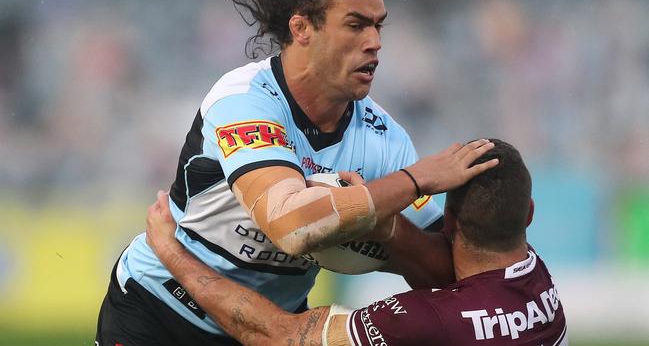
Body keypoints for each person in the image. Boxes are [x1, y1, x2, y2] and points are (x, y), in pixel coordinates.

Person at [95, 0, 498, 345]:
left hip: (266, 328)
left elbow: (446, 273)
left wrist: (384, 227)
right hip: (160, 310)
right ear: (302, 28)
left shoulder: (385, 140)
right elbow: (289, 226)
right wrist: (415, 181)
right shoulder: (244, 100)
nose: (375, 42)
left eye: (379, 26)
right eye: (356, 25)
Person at [146, 139, 567, 345]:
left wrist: (171, 255)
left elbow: (281, 337)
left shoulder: (428, 320)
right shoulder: (541, 289)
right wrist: (376, 221)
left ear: (450, 220)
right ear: (528, 213)